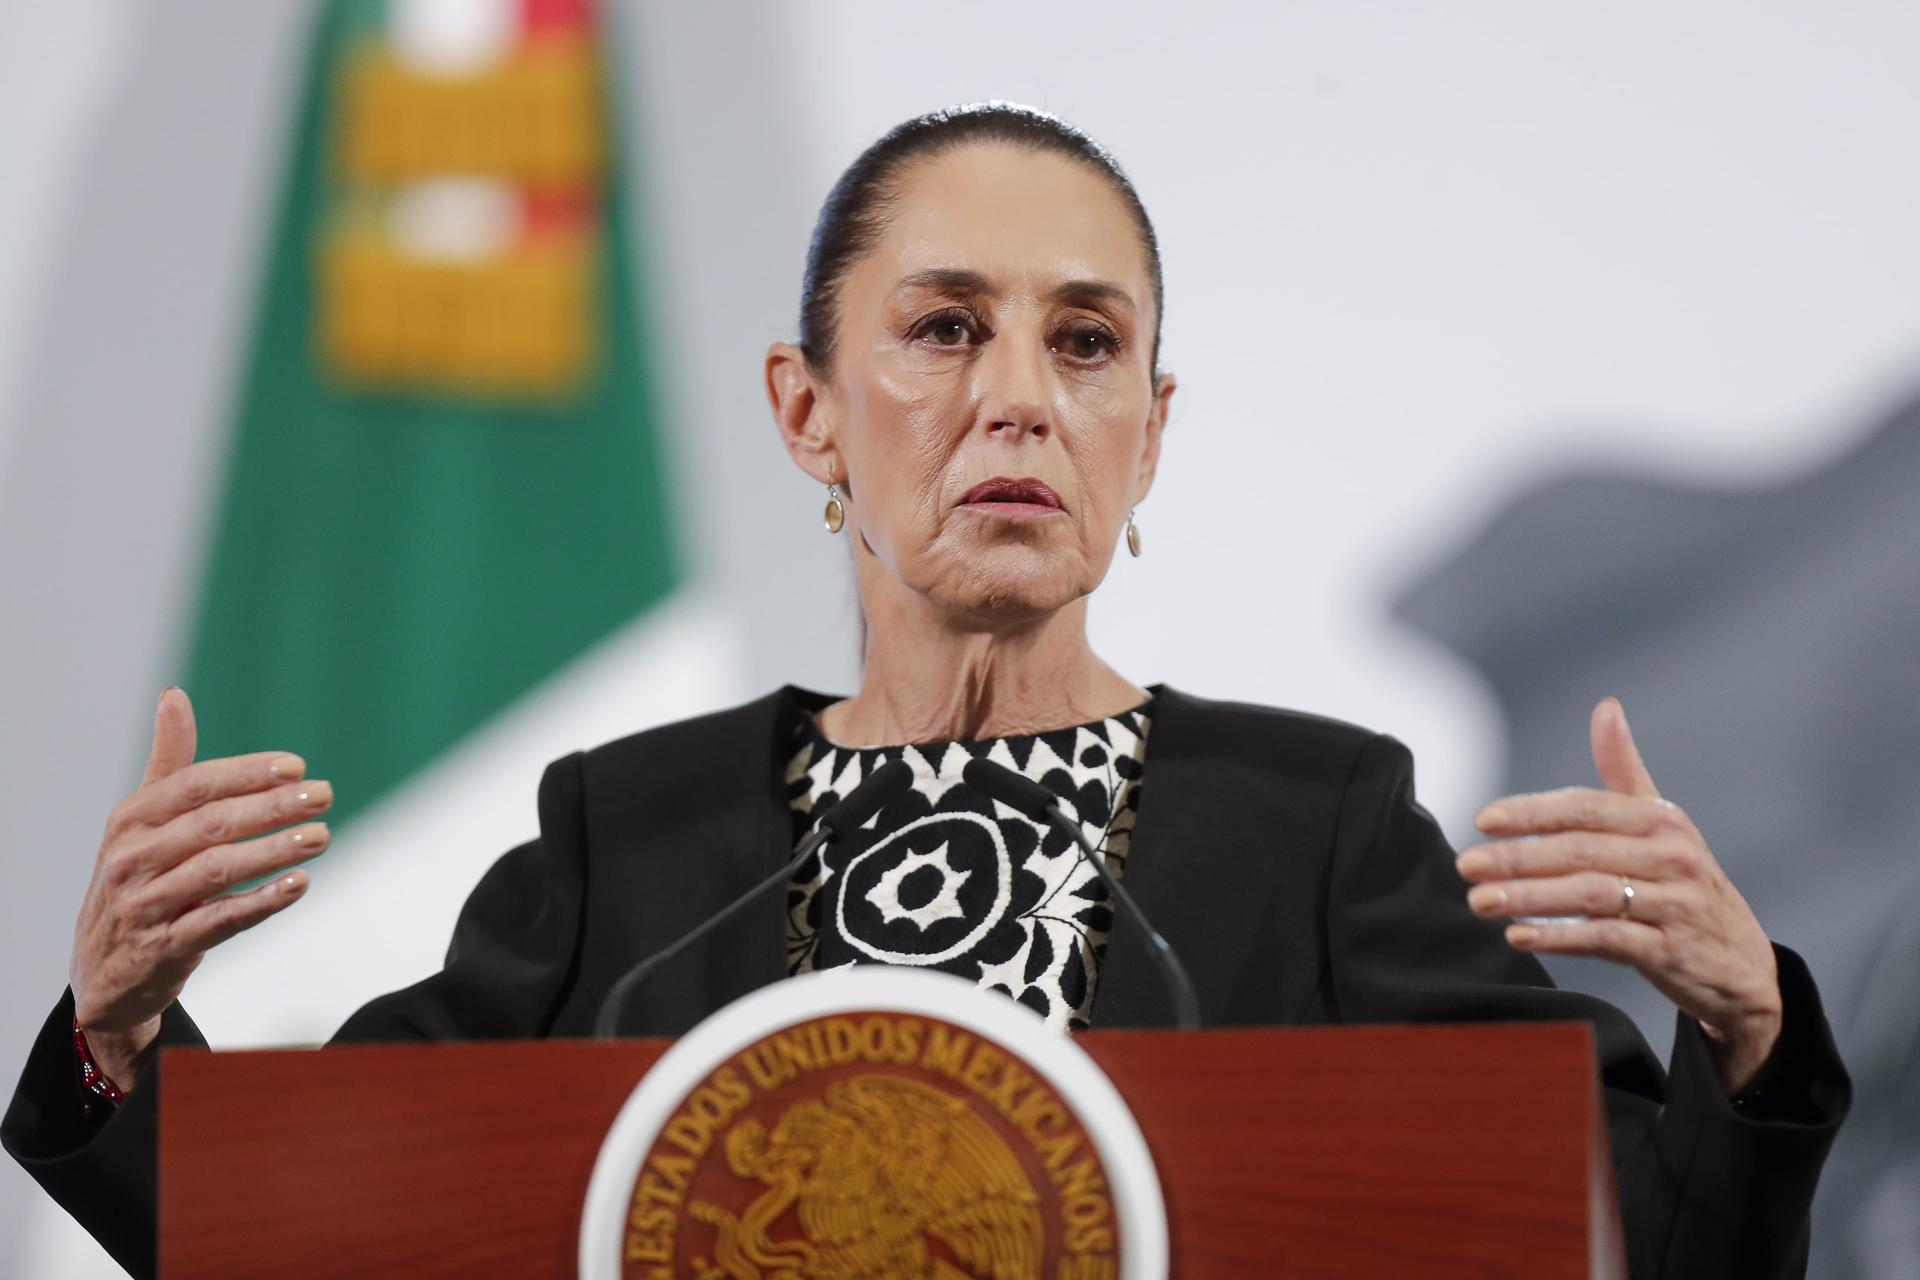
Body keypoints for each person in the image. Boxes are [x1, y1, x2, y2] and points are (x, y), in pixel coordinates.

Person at [6, 103, 1848, 1278]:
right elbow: (334, 1244)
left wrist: (1749, 1032)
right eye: (946, 328)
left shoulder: (1318, 827)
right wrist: (116, 1031)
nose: (1020, 398)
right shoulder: (626, 836)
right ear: (808, 411)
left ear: (1149, 431)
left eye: (1088, 342)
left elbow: (1626, 1239)